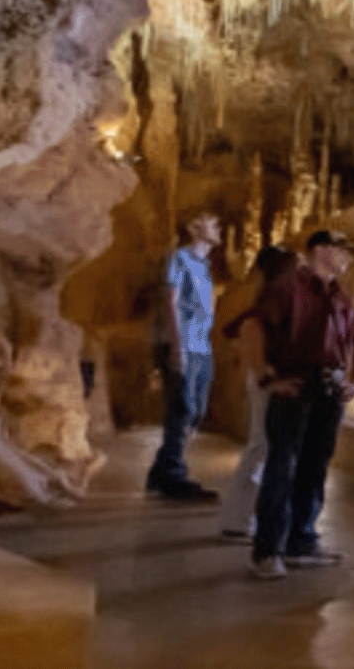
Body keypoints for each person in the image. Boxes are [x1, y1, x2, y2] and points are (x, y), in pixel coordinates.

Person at [249, 229, 354, 581]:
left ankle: (301, 541)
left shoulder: (340, 297)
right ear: (320, 250)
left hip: (328, 389)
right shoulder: (288, 287)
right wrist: (267, 379)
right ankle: (267, 550)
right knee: (282, 467)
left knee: (314, 468)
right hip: (296, 385)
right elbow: (253, 328)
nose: (347, 257)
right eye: (342, 250)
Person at [218, 245, 297, 541]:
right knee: (260, 445)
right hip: (266, 380)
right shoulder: (270, 300)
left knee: (263, 446)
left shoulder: (273, 297)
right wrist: (265, 378)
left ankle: (243, 515)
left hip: (266, 378)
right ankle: (237, 519)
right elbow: (248, 329)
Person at [146, 211, 224, 501]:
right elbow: (171, 301)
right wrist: (177, 347)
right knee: (182, 409)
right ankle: (173, 475)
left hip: (202, 345)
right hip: (183, 344)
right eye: (212, 222)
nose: (218, 227)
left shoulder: (204, 265)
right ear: (194, 228)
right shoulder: (178, 258)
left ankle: (161, 470)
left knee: (197, 410)